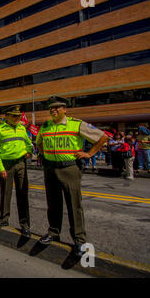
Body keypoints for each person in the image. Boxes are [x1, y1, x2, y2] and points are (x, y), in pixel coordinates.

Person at [36, 96, 108, 256]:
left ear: (65, 109)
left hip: (69, 169)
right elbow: (39, 142)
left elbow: (102, 137)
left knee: (74, 205)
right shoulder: (46, 126)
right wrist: (43, 155)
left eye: (57, 108)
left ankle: (80, 240)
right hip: (50, 169)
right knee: (53, 203)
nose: (53, 110)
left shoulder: (76, 124)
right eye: (51, 108)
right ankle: (53, 232)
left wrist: (89, 153)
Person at [0, 105, 33, 237]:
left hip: (21, 164)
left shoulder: (22, 128)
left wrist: (29, 151)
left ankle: (25, 225)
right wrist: (1, 167)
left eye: (19, 116)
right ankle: (3, 219)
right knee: (5, 193)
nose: (17, 118)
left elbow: (28, 142)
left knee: (22, 193)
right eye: (14, 116)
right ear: (7, 116)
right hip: (6, 165)